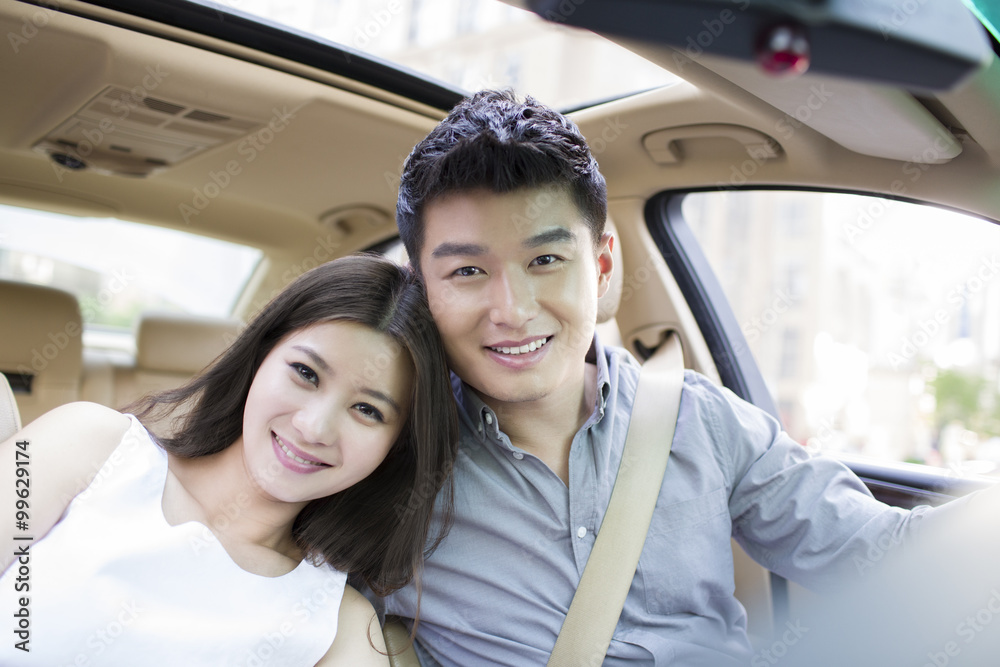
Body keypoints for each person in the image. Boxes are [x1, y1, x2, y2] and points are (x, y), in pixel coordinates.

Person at [375, 89, 996, 666]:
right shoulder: (382, 451)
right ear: (421, 285)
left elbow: (878, 552)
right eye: (466, 273)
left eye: (545, 260)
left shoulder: (698, 417)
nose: (511, 310)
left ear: (601, 265)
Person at [0, 255, 457, 665]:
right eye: (305, 373)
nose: (313, 427)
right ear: (260, 355)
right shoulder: (87, 443)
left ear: (395, 447)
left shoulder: (339, 628)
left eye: (367, 410)